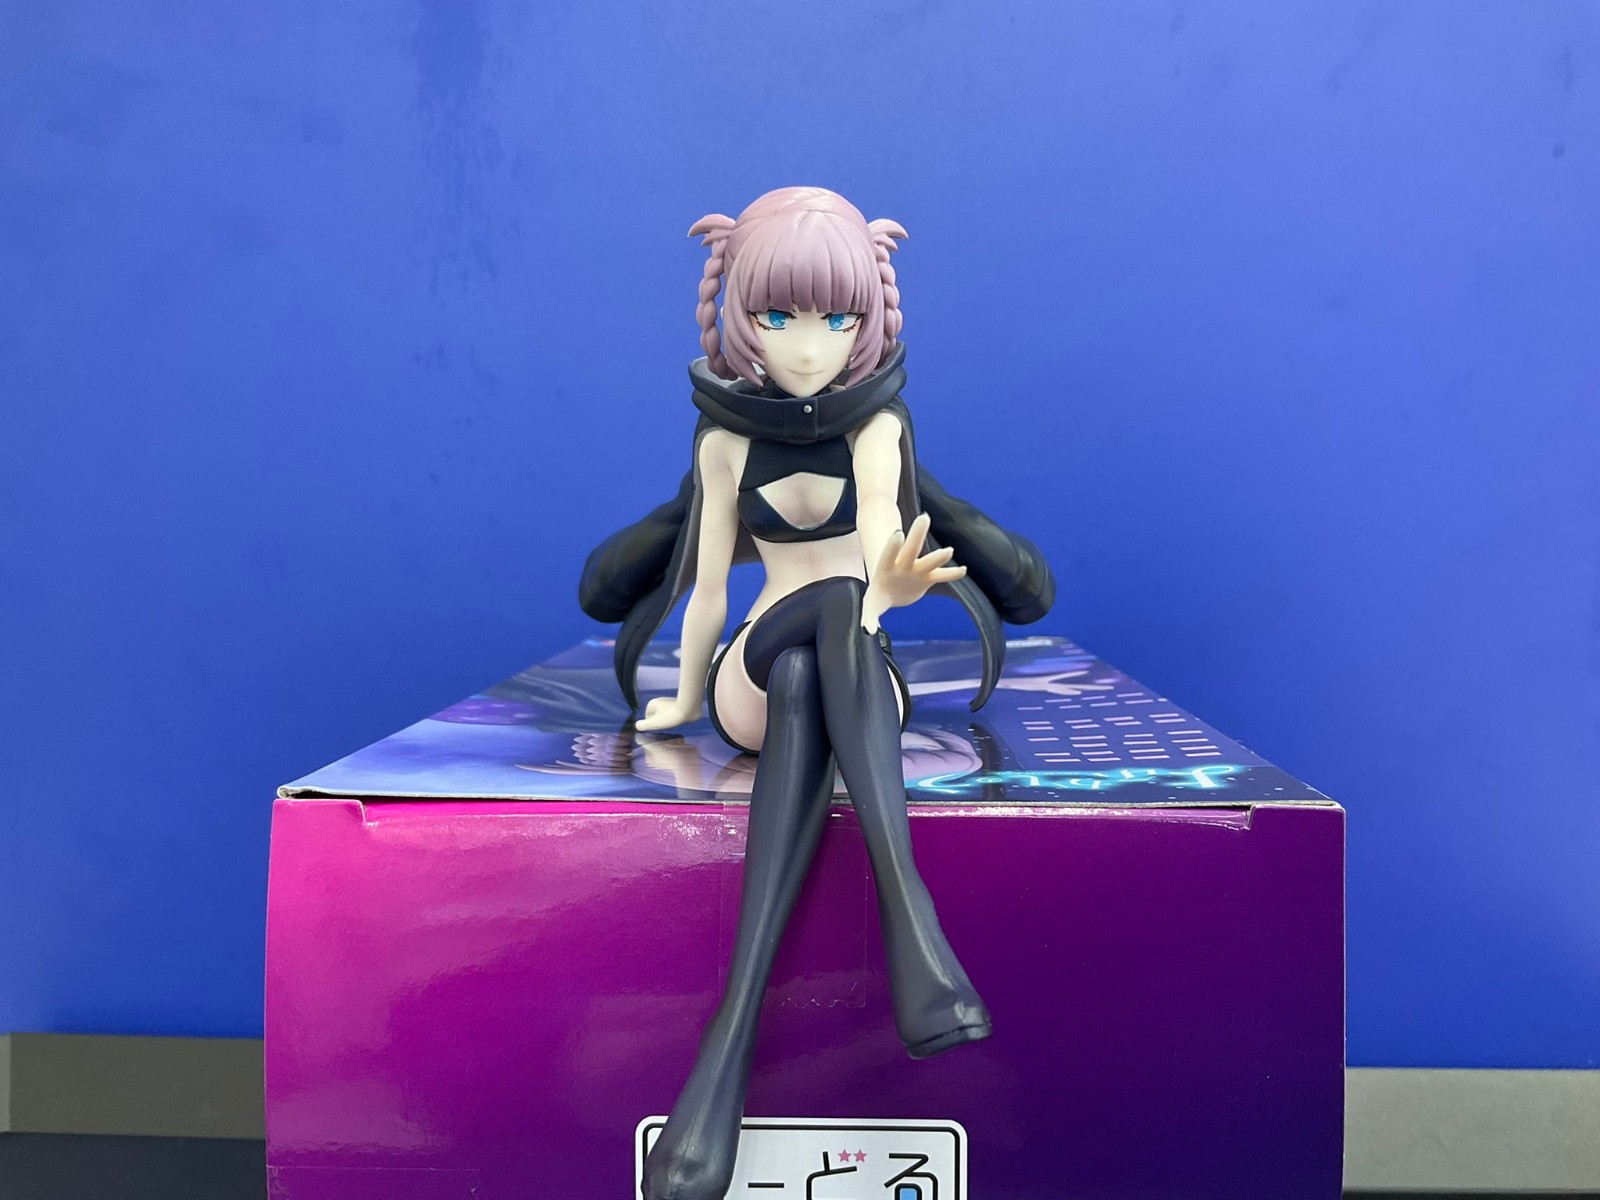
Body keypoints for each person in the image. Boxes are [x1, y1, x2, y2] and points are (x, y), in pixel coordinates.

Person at [579, 186, 1054, 1200]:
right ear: (739, 314)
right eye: (778, 315)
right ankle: (909, 916)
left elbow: (880, 544)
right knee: (810, 627)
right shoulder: (724, 441)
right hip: (746, 672)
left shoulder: (877, 429)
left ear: (869, 316)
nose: (807, 345)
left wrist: (888, 592)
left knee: (819, 658)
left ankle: (724, 1051)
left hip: (856, 664)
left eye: (837, 318)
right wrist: (678, 699)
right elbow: (708, 591)